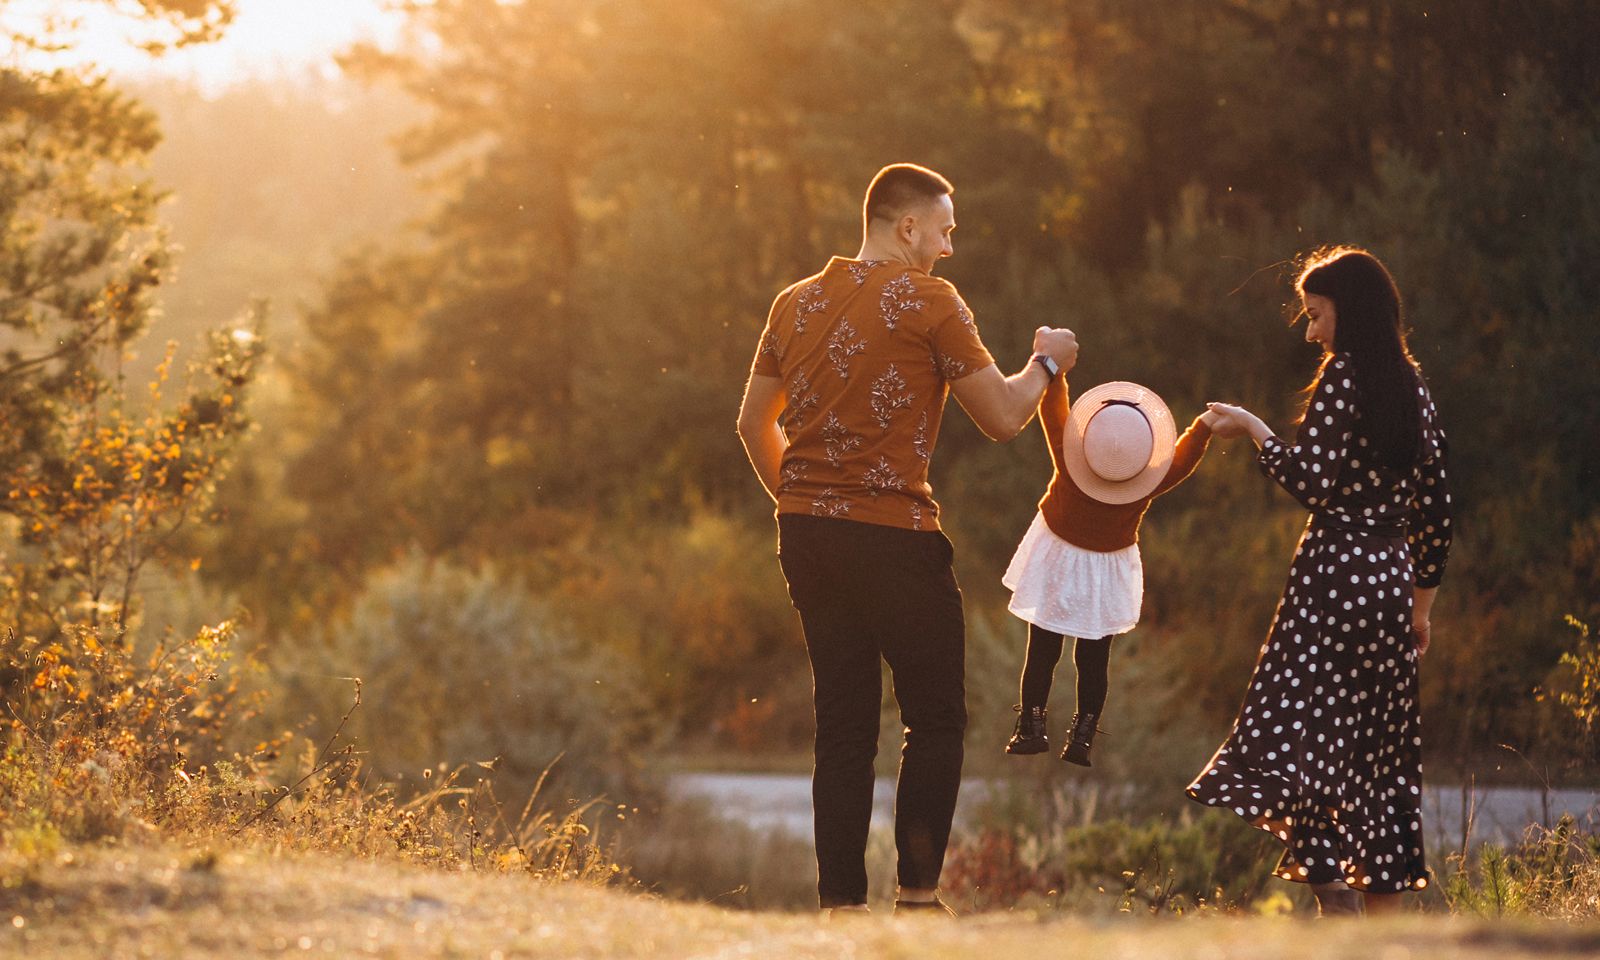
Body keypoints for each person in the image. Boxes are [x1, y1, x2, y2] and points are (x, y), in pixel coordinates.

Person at [736, 163, 1079, 916]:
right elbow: (1002, 416)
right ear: (907, 227)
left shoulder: (793, 302)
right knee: (936, 717)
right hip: (894, 535)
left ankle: (840, 908)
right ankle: (918, 899)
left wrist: (804, 502)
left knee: (845, 722)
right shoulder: (930, 300)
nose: (950, 248)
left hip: (806, 535)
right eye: (946, 230)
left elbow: (749, 421)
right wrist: (1048, 360)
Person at [1186, 247, 1452, 917]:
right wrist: (1420, 608)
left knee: (1299, 733)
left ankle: (1333, 891)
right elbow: (1437, 508)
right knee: (1377, 754)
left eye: (1317, 316)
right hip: (1389, 582)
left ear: (1349, 313)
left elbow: (1308, 480)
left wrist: (1250, 426)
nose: (1311, 332)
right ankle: (1378, 926)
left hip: (1333, 576)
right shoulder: (1412, 385)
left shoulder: (1346, 375)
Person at [1002, 380, 1212, 765]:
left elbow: (1053, 413)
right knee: (1094, 657)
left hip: (1058, 556)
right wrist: (1203, 426)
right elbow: (1182, 461)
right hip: (1106, 566)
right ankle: (1082, 736)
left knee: (1043, 648)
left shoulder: (1070, 458)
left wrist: (1056, 372)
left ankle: (1030, 728)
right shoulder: (1144, 481)